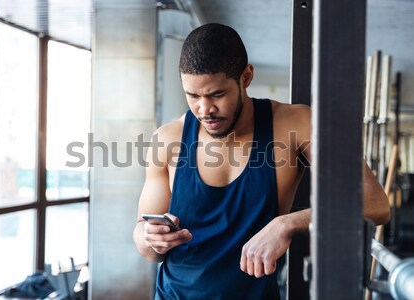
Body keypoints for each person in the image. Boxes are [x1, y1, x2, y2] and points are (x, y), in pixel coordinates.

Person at [133, 23, 390, 299]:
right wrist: (151, 239)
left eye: (217, 94)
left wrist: (287, 224)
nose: (204, 109)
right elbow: (144, 242)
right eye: (193, 96)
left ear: (246, 77)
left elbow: (375, 203)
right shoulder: (167, 139)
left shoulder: (295, 124)